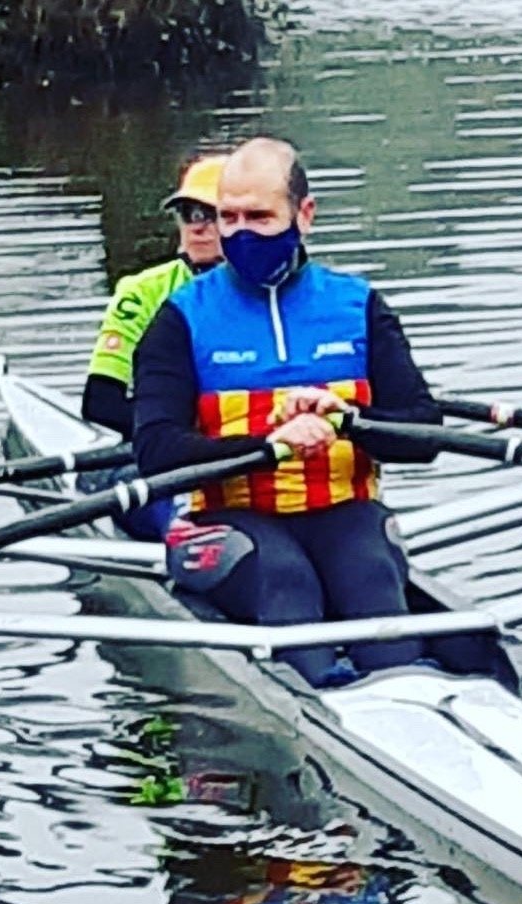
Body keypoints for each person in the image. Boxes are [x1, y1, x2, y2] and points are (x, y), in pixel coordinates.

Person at [132, 137, 442, 686]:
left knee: (371, 574)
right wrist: (270, 446)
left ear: (305, 215)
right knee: (285, 577)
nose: (240, 233)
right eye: (229, 218)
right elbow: (156, 455)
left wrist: (347, 417)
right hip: (229, 523)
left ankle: (408, 690)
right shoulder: (180, 319)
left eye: (260, 216)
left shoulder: (357, 306)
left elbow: (423, 437)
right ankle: (318, 698)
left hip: (344, 513)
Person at [80, 152, 226, 540]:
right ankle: (179, 535)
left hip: (240, 450)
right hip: (161, 455)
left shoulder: (276, 297)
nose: (197, 227)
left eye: (210, 214)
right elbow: (100, 401)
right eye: (188, 213)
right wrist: (179, 436)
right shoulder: (141, 292)